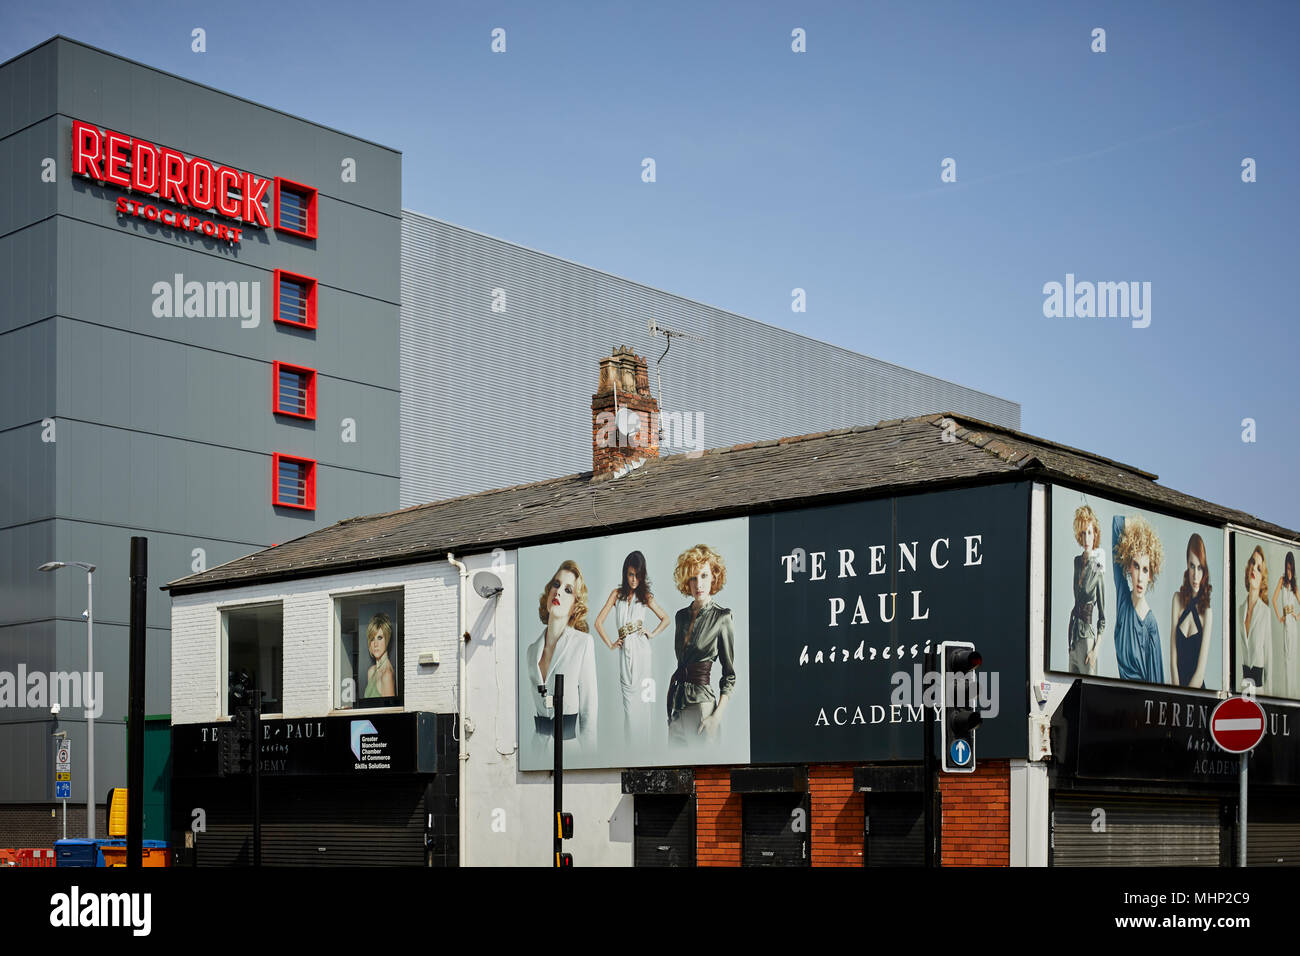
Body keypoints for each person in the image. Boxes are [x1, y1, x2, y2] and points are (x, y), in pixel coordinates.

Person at [593, 551, 670, 743]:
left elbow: (666, 618)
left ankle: (644, 749)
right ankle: (632, 749)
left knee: (645, 703)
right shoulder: (616, 595)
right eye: (630, 574)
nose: (634, 579)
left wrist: (652, 633)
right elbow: (598, 622)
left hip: (643, 653)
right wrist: (611, 644)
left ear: (642, 575)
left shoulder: (645, 597)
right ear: (625, 574)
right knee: (629, 709)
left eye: (638, 575)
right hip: (625, 652)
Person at [526, 560, 598, 753]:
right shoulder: (531, 651)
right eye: (556, 585)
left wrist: (590, 762)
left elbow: (588, 714)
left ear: (575, 606)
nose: (558, 592)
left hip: (569, 751)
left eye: (568, 590)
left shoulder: (583, 643)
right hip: (537, 750)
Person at [666, 544, 736, 743]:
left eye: (704, 576)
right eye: (693, 578)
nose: (699, 584)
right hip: (677, 707)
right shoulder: (680, 617)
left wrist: (716, 717)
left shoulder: (722, 617)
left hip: (702, 708)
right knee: (673, 763)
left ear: (713, 577)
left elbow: (729, 676)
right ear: (686, 581)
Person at [1111, 514, 1165, 683]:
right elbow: (1117, 523)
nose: (1140, 577)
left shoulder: (1150, 626)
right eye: (1136, 566)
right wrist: (1140, 531)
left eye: (1145, 569)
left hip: (1141, 699)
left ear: (1151, 575)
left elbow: (1157, 686)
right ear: (1129, 567)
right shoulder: (1123, 600)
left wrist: (1146, 535)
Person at [1170, 534, 1213, 689]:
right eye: (1192, 566)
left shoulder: (1207, 613)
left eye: (1200, 568)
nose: (1195, 575)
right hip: (1177, 690)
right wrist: (1177, 694)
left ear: (1204, 570)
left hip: (1197, 694)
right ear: (1187, 566)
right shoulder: (1177, 599)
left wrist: (1185, 697)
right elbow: (1173, 659)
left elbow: (1200, 673)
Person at [1068, 505, 1106, 674]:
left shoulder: (1098, 568)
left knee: (1089, 688)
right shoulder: (1076, 562)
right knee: (1069, 688)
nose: (1086, 538)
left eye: (1089, 532)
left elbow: (1102, 618)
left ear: (1095, 534)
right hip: (1073, 639)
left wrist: (1095, 650)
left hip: (1088, 641)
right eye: (1083, 533)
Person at [1238, 546, 1272, 694]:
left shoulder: (1265, 612)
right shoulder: (1240, 610)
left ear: (1262, 578)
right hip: (1243, 689)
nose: (1254, 569)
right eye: (1252, 562)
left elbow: (1268, 658)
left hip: (1260, 691)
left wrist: (1270, 699)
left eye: (1259, 568)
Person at [1272, 551, 1299, 698]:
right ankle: (1288, 692)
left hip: (1292, 623)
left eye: (1291, 568)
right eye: (1287, 567)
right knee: (1286, 656)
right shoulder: (1282, 580)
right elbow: (1274, 599)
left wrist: (1297, 616)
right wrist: (1279, 616)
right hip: (1286, 621)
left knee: (1292, 656)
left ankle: (1293, 693)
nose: (1289, 571)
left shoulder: (1294, 584)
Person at [363, 612, 397, 698]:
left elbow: (390, 707)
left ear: (387, 639)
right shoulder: (371, 671)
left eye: (380, 638)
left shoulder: (387, 675)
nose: (375, 644)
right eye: (372, 639)